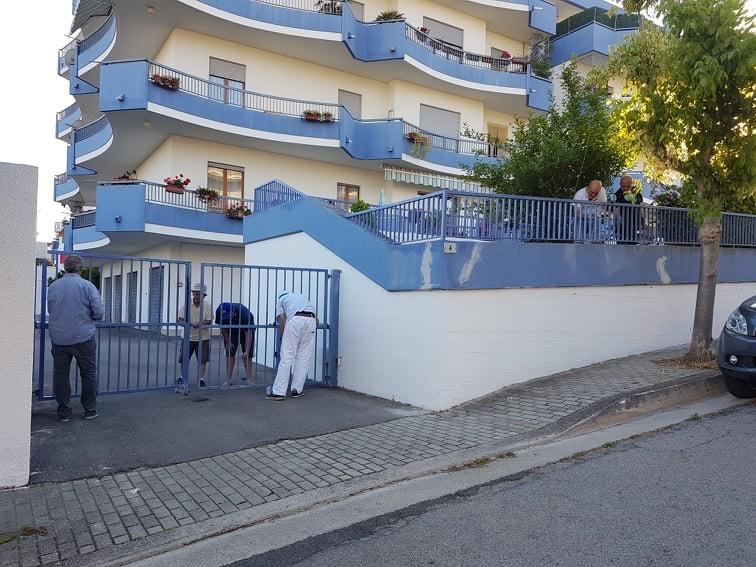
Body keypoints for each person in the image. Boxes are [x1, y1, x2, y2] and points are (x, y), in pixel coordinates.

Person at [46, 255, 105, 422]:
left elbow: (51, 309)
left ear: (65, 267)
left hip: (59, 339)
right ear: (80, 267)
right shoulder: (87, 286)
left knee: (61, 375)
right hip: (84, 337)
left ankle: (63, 412)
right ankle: (90, 410)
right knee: (88, 375)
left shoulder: (53, 286)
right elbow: (99, 312)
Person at [266, 291, 318, 401]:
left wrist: (283, 336)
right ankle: (297, 390)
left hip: (295, 320)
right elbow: (317, 321)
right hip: (311, 320)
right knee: (304, 358)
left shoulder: (280, 301)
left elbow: (282, 319)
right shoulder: (301, 297)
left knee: (286, 357)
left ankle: (279, 392)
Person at [177, 283, 212, 390]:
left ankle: (201, 379)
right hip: (187, 337)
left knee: (202, 359)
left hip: (203, 337)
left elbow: (209, 321)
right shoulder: (185, 305)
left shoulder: (207, 306)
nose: (196, 296)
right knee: (184, 358)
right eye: (195, 294)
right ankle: (183, 377)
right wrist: (188, 324)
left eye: (199, 294)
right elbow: (179, 320)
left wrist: (200, 324)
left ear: (203, 295)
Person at [215, 302, 255, 385]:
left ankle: (249, 379)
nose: (227, 318)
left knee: (247, 355)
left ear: (233, 311)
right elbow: (222, 327)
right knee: (230, 352)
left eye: (228, 316)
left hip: (245, 330)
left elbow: (248, 334)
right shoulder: (219, 311)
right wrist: (228, 341)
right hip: (231, 330)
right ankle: (228, 379)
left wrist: (247, 350)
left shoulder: (244, 313)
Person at [613, 175, 644, 242]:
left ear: (632, 184)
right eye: (623, 187)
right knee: (621, 246)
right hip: (622, 227)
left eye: (628, 186)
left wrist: (642, 222)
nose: (625, 188)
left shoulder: (637, 193)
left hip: (635, 226)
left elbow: (641, 208)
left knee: (633, 247)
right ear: (620, 185)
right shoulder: (617, 195)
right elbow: (615, 212)